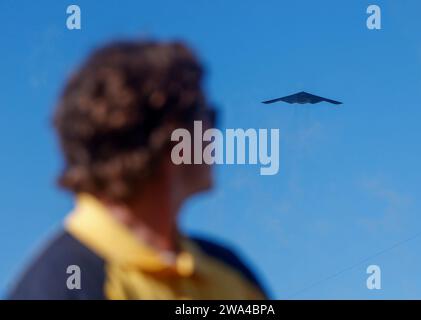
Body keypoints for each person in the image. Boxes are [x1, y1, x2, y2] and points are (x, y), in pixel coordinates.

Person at [8, 40, 267, 300]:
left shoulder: (233, 273)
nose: (215, 133)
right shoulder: (60, 287)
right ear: (171, 130)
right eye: (209, 115)